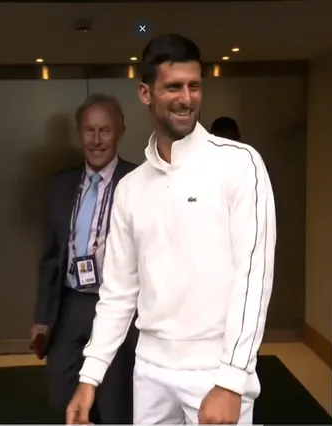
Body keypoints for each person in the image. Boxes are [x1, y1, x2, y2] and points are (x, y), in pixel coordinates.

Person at [66, 34, 277, 425]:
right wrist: (89, 376)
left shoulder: (240, 165)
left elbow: (254, 279)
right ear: (146, 94)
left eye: (194, 86)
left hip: (216, 369)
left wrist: (231, 380)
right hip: (149, 370)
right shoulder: (131, 188)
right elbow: (118, 293)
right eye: (173, 87)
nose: (186, 98)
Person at [31, 93, 139, 424]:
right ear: (80, 133)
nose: (96, 140)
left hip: (120, 308)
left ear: (120, 131)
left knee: (115, 400)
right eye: (89, 130)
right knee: (64, 394)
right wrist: (42, 317)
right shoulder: (60, 186)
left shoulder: (138, 183)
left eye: (104, 130)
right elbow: (51, 258)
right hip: (71, 305)